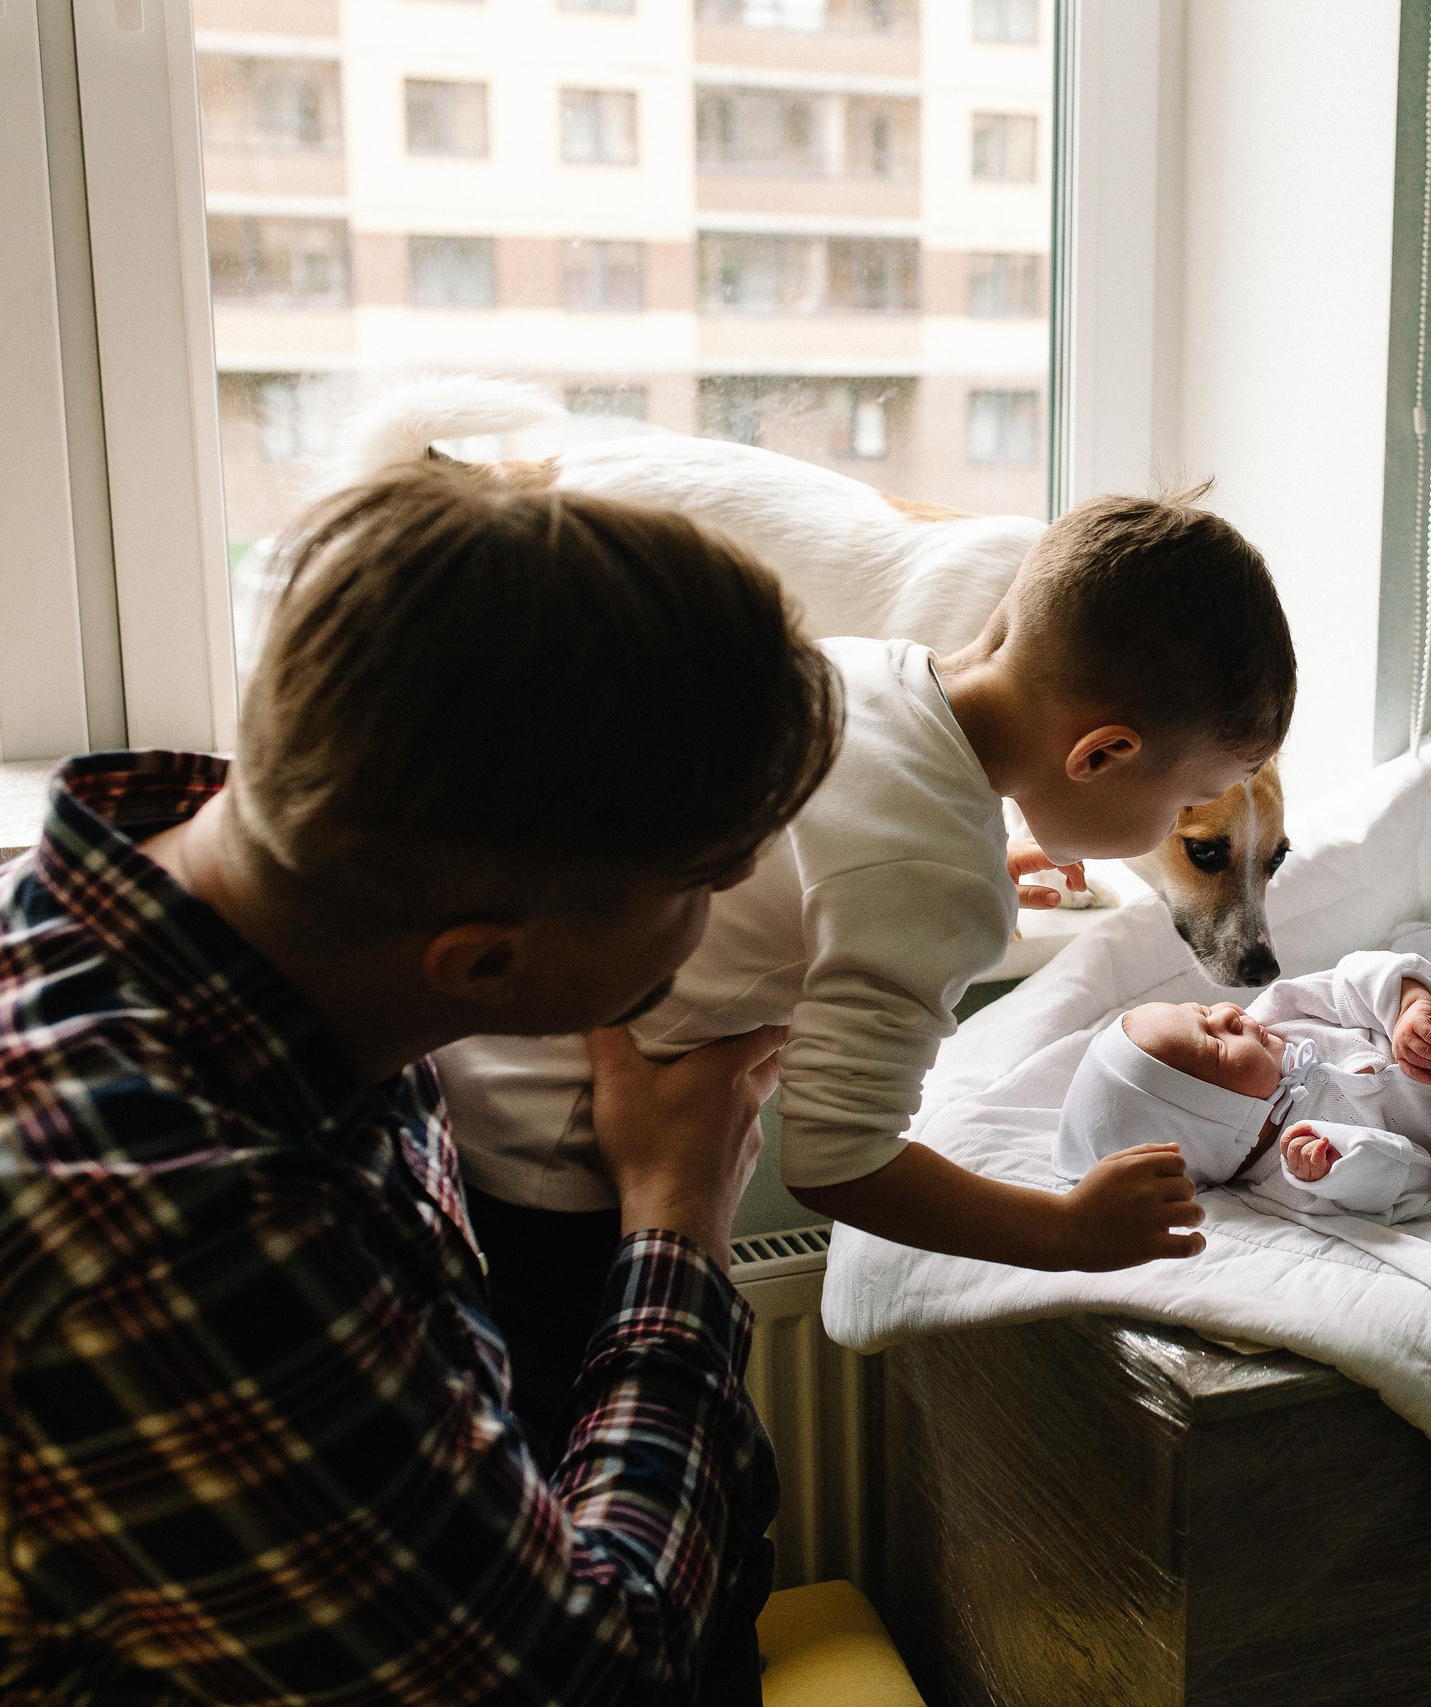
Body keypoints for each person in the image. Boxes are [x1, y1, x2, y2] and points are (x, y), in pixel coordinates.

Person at [0, 463, 842, 1703]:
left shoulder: (248, 926)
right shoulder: (178, 1237)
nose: (729, 914)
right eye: (711, 883)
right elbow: (577, 1678)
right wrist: (676, 1221)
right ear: (485, 961)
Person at [437, 489, 1294, 1468]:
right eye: (1188, 802)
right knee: (654, 1466)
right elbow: (838, 1162)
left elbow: (826, 852)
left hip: (474, 1088)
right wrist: (1064, 1232)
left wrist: (954, 864)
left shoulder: (862, 671)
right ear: (1101, 753)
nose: (1177, 824)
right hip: (561, 1183)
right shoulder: (931, 885)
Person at [1053, 954, 1431, 1223]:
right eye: (1215, 1044)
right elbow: (1415, 1182)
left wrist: (1407, 1006)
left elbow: (1351, 978)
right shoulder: (1295, 1171)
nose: (1228, 1013)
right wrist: (1349, 1166)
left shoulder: (1282, 1013)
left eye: (1203, 1009)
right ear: (1224, 1125)